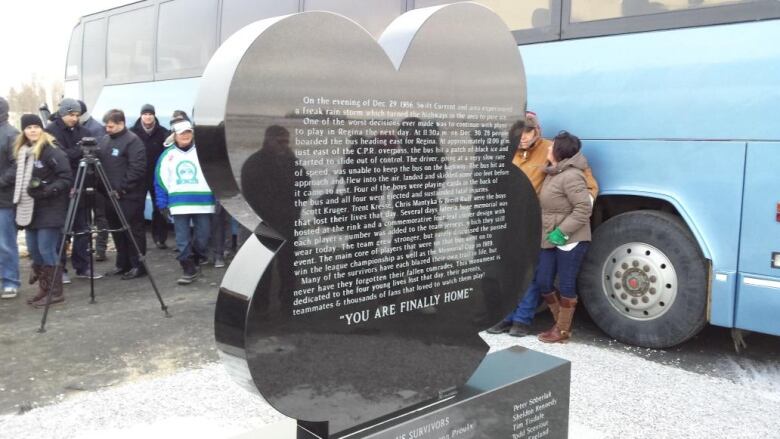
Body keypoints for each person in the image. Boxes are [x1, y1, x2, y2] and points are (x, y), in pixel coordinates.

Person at [488, 112, 598, 336]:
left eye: (528, 131)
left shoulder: (552, 150)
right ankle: (506, 316)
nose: (523, 137)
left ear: (536, 130)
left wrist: (574, 214)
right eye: (518, 133)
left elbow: (588, 185)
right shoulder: (507, 152)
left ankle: (522, 319)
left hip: (535, 223)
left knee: (530, 273)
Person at [535, 131, 593, 343]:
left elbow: (583, 208)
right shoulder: (554, 172)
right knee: (543, 281)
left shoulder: (572, 176)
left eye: (551, 147)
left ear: (559, 151)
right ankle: (561, 324)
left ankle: (561, 330)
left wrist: (563, 232)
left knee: (566, 284)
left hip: (571, 238)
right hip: (551, 235)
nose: (548, 149)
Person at [13, 114, 73, 307]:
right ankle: (44, 288)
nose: (32, 130)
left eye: (36, 126)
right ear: (23, 131)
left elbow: (66, 177)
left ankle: (56, 292)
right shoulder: (23, 152)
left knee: (46, 248)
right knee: (34, 250)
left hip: (51, 207)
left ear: (42, 129)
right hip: (30, 208)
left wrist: (48, 189)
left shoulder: (52, 151)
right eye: (28, 127)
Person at [155, 119, 215, 285]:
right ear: (175, 136)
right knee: (182, 239)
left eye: (188, 132)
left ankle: (194, 258)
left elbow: (215, 175)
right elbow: (160, 181)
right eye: (182, 133)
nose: (185, 136)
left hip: (203, 202)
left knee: (203, 236)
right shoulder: (167, 156)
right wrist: (162, 204)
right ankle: (188, 268)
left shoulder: (203, 152)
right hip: (178, 203)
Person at [45, 98, 98, 281]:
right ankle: (60, 269)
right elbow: (61, 156)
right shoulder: (51, 131)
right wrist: (79, 151)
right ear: (63, 113)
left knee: (83, 228)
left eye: (77, 115)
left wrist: (80, 151)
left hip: (82, 184)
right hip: (62, 188)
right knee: (62, 230)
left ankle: (82, 266)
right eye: (71, 115)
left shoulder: (85, 131)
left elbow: (90, 152)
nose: (74, 118)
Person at [97, 109, 147, 279]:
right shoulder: (104, 140)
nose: (107, 129)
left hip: (128, 197)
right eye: (106, 126)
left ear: (121, 124)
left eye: (111, 126)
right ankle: (122, 263)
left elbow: (137, 169)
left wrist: (123, 188)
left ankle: (138, 265)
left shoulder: (133, 141)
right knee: (117, 231)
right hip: (109, 196)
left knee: (133, 231)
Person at [130, 104, 170, 249]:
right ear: (141, 115)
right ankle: (138, 239)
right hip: (139, 177)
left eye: (150, 114)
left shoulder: (163, 132)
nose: (148, 117)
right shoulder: (132, 133)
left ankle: (160, 238)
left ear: (154, 115)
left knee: (159, 207)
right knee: (138, 208)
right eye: (145, 114)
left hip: (157, 176)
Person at [78, 100, 110, 262]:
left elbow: (100, 154)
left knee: (100, 216)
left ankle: (100, 248)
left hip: (96, 179)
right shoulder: (80, 128)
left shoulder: (95, 129)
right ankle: (85, 248)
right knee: (84, 217)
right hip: (83, 179)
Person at [0, 97, 20, 298]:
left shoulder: (12, 134)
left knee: (5, 243)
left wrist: (1, 181)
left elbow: (18, 165)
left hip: (4, 199)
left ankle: (10, 280)